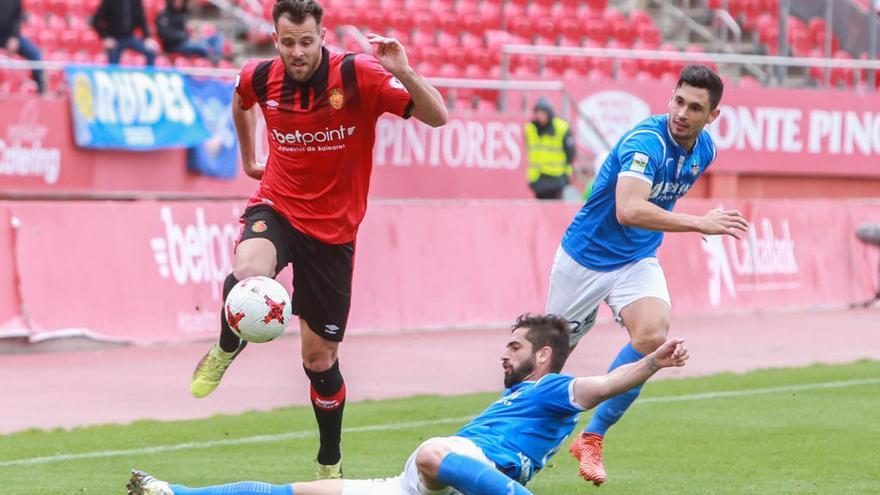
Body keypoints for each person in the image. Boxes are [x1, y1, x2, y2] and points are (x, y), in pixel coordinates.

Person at [187, 0, 447, 480]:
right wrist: (249, 158)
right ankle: (225, 349)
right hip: (279, 206)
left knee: (319, 360)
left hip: (334, 233)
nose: (297, 52)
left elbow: (438, 116)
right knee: (248, 273)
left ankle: (329, 463)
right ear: (275, 39)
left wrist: (405, 72)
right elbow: (241, 100)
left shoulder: (359, 76)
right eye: (288, 42)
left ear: (322, 36)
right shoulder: (260, 76)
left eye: (306, 42)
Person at [127, 313, 690, 495]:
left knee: (434, 451)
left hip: (451, 466)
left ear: (543, 355)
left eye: (514, 346)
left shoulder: (550, 389)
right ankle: (175, 493)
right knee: (297, 492)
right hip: (410, 487)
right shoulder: (526, 392)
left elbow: (601, 387)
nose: (504, 354)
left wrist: (648, 364)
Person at [547, 64, 749, 486]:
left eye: (695, 107)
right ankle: (502, 438)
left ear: (712, 116)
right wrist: (699, 223)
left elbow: (646, 216)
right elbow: (629, 209)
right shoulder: (646, 142)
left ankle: (593, 436)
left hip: (636, 260)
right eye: (678, 101)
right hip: (584, 260)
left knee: (654, 338)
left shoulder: (704, 149)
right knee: (545, 365)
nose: (682, 113)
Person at [523, 97, 576, 200]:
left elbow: (571, 153)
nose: (540, 116)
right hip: (538, 178)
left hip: (557, 177)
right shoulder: (530, 128)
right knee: (541, 210)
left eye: (542, 113)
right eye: (538, 113)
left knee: (555, 208)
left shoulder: (561, 128)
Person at [92, 0, 159, 66]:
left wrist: (147, 38)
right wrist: (105, 37)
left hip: (130, 37)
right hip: (114, 39)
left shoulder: (136, 1)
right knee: (113, 63)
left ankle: (148, 75)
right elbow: (96, 20)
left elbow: (142, 20)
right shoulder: (110, 1)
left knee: (150, 51)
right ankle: (114, 76)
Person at [156, 0, 225, 62]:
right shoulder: (164, 16)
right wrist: (186, 36)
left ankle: (217, 57)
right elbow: (166, 35)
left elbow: (185, 31)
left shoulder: (180, 14)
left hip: (187, 41)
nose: (179, 3)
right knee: (203, 47)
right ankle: (212, 63)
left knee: (217, 37)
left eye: (180, 1)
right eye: (176, 1)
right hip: (175, 45)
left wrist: (191, 36)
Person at [0, 0, 44, 93]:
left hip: (9, 36)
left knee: (35, 55)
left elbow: (17, 16)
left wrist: (14, 37)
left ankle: (42, 93)